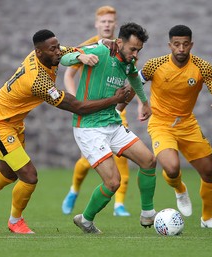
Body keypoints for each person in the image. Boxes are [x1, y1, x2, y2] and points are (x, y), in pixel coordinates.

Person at [0, 29, 131, 234]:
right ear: (39, 53)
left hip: (14, 122)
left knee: (8, 173)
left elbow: (73, 50)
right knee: (29, 176)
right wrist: (114, 100)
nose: (58, 52)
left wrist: (101, 42)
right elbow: (77, 107)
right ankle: (15, 221)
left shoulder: (50, 54)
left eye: (58, 47)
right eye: (53, 49)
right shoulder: (39, 81)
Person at [61, 22, 157, 234]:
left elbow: (134, 77)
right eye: (133, 49)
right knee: (113, 182)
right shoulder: (99, 50)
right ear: (120, 42)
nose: (135, 54)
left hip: (112, 123)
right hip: (88, 127)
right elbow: (63, 56)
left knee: (149, 161)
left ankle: (148, 214)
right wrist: (80, 57)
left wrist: (144, 101)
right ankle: (85, 220)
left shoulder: (127, 61)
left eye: (139, 50)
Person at [138, 25, 212, 228]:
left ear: (191, 45)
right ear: (170, 45)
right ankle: (179, 189)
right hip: (161, 123)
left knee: (210, 173)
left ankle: (208, 218)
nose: (181, 48)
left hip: (187, 124)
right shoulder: (155, 64)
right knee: (172, 168)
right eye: (177, 44)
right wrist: (139, 103)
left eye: (185, 44)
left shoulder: (202, 66)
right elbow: (134, 83)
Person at [62, 5, 132, 217]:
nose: (107, 24)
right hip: (91, 112)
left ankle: (119, 204)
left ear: (115, 23)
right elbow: (68, 76)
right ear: (97, 24)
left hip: (115, 111)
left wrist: (125, 103)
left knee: (124, 158)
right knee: (86, 161)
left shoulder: (124, 47)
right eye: (103, 21)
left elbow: (132, 78)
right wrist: (77, 103)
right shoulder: (89, 46)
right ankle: (74, 190)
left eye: (111, 21)